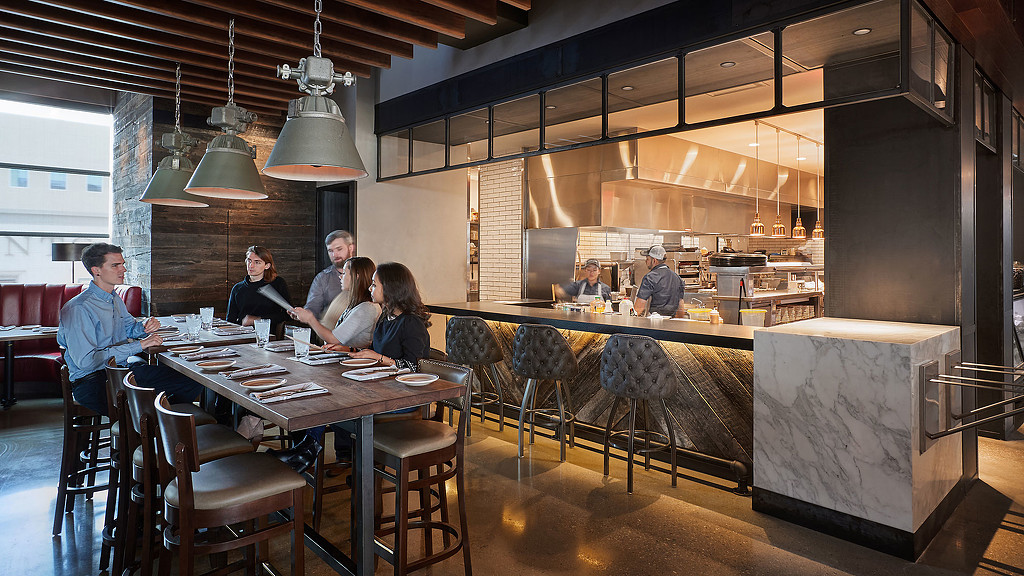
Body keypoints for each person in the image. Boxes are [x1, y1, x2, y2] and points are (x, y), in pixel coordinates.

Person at [57, 242, 203, 416]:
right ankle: (154, 423)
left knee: (193, 379)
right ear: (96, 270)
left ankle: (160, 422)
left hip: (120, 372)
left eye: (123, 264)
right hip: (93, 383)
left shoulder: (114, 298)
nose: (123, 269)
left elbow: (129, 328)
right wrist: (140, 345)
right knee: (170, 393)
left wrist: (145, 327)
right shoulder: (78, 308)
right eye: (115, 265)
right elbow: (87, 362)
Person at [349, 261, 431, 370]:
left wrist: (379, 358)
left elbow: (413, 366)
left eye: (374, 285)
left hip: (404, 380)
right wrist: (349, 350)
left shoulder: (411, 323)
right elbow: (373, 352)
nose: (369, 289)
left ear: (390, 288)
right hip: (383, 377)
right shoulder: (385, 317)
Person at [289, 256, 380, 351]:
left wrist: (310, 319)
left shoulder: (367, 308)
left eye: (344, 273)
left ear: (356, 276)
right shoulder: (355, 304)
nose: (340, 276)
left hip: (352, 359)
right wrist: (303, 316)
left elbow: (333, 339)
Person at [226, 245, 291, 333]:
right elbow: (230, 320)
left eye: (257, 262)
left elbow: (288, 315)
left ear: (267, 266)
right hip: (241, 335)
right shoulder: (237, 288)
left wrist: (258, 320)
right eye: (249, 261)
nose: (251, 265)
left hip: (268, 336)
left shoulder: (277, 284)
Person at [304, 230, 355, 321]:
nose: (334, 255)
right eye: (330, 251)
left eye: (339, 249)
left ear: (350, 248)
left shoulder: (365, 272)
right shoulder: (322, 278)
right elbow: (312, 309)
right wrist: (303, 314)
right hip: (329, 328)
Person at [633, 244, 682, 317]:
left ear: (654, 260)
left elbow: (639, 308)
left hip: (654, 320)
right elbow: (681, 305)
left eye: (647, 259)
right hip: (671, 321)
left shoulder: (650, 278)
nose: (646, 261)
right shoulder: (677, 277)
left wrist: (632, 318)